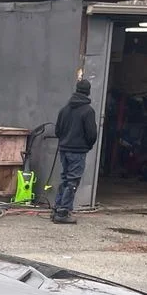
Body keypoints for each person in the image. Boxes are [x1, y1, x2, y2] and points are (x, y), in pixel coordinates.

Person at [52, 78, 98, 225]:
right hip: (77, 151)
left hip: (64, 149)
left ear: (76, 90)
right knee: (73, 180)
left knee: (65, 178)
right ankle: (63, 212)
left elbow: (58, 130)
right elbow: (92, 134)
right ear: (88, 92)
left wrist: (65, 141)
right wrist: (87, 145)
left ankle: (57, 208)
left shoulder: (64, 110)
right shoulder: (88, 111)